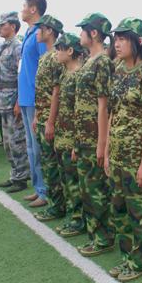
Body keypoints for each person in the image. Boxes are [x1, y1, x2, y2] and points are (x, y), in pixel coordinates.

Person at [105, 17, 142, 281]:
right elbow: (113, 112)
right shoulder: (117, 70)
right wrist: (106, 150)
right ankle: (127, 257)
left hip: (137, 154)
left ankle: (140, 261)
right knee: (119, 209)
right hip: (117, 153)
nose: (117, 43)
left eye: (123, 38)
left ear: (138, 41)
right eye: (116, 38)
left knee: (140, 211)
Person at [74, 12, 115, 257]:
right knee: (87, 190)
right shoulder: (90, 61)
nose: (80, 34)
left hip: (94, 138)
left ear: (94, 33)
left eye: (83, 30)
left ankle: (103, 237)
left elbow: (104, 105)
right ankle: (94, 233)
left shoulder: (103, 63)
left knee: (97, 190)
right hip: (83, 137)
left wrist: (102, 144)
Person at [32, 14, 66, 212]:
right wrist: (37, 115)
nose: (37, 32)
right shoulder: (45, 57)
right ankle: (53, 201)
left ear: (50, 31)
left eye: (40, 29)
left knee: (53, 164)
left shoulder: (55, 58)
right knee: (47, 162)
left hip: (52, 119)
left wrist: (51, 121)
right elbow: (41, 90)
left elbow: (56, 92)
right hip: (43, 116)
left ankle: (58, 205)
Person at [0, 12, 30, 193]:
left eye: (3, 25)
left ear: (13, 27)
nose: (0, 28)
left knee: (16, 140)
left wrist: (18, 101)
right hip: (3, 99)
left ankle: (21, 178)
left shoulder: (17, 47)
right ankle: (15, 174)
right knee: (8, 141)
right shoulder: (4, 47)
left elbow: (21, 75)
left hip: (12, 98)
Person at [53, 32, 85, 237]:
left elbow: (81, 113)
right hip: (62, 135)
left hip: (72, 137)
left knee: (75, 182)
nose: (56, 52)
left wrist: (77, 143)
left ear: (70, 51)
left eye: (60, 48)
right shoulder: (65, 73)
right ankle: (73, 216)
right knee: (67, 179)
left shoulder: (78, 76)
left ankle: (78, 219)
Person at [18, 0, 48, 206]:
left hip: (36, 99)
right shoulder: (29, 33)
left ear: (33, 9)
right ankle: (38, 187)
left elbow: (45, 69)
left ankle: (45, 190)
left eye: (23, 6)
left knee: (38, 147)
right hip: (26, 98)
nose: (21, 10)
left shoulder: (40, 34)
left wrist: (40, 103)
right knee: (30, 146)